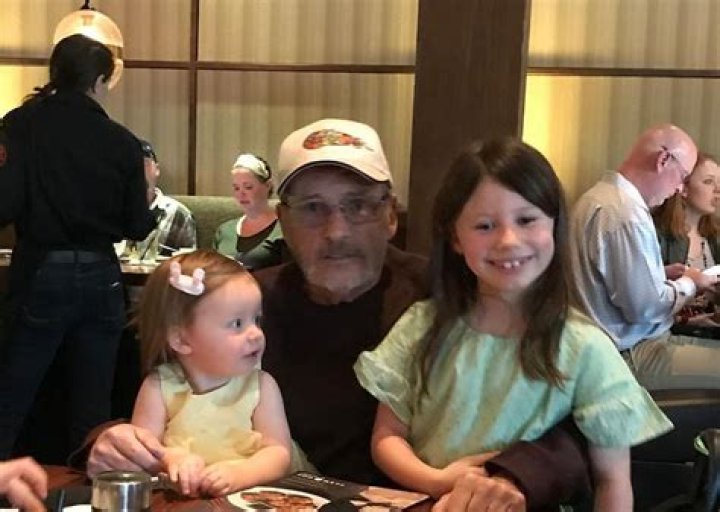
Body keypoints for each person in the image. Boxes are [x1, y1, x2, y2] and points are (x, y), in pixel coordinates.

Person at [82, 119, 591, 509]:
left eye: (358, 205)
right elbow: (148, 407)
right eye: (312, 208)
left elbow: (584, 424)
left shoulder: (448, 298)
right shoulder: (242, 303)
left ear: (390, 215)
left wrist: (514, 474)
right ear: (281, 219)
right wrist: (108, 444)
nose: (337, 231)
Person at [354, 137, 672, 511]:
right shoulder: (423, 325)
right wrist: (440, 481)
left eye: (526, 220)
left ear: (554, 223)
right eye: (484, 226)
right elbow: (387, 437)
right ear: (455, 238)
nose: (508, 240)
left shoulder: (584, 346)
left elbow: (612, 481)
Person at [0, 34, 155, 459]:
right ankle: (91, 488)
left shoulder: (21, 125)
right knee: (92, 405)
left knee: (12, 392)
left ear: (54, 73)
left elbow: (5, 204)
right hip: (101, 274)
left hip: (40, 269)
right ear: (100, 81)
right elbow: (137, 225)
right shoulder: (122, 141)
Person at [570, 123, 720, 390]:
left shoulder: (597, 198)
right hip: (632, 353)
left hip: (623, 346)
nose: (679, 189)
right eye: (682, 176)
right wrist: (691, 282)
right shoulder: (626, 215)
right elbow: (646, 309)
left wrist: (659, 276)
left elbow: (610, 284)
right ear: (663, 160)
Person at [130, 249, 291, 496]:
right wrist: (173, 459)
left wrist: (239, 474)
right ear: (181, 339)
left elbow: (279, 453)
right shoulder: (159, 386)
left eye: (257, 320)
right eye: (237, 324)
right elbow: (141, 449)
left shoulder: (261, 386)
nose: (256, 334)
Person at [653, 153, 720, 338]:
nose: (718, 190)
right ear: (683, 188)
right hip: (670, 336)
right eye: (708, 182)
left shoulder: (714, 236)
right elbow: (643, 303)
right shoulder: (656, 233)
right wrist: (685, 321)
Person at [120, 139, 197, 262]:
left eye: (144, 164)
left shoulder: (178, 214)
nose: (138, 172)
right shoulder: (110, 210)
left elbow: (188, 264)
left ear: (156, 169)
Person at [213, 153, 283, 270]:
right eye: (236, 188)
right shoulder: (224, 231)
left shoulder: (283, 230)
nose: (241, 194)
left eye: (248, 187)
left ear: (268, 186)